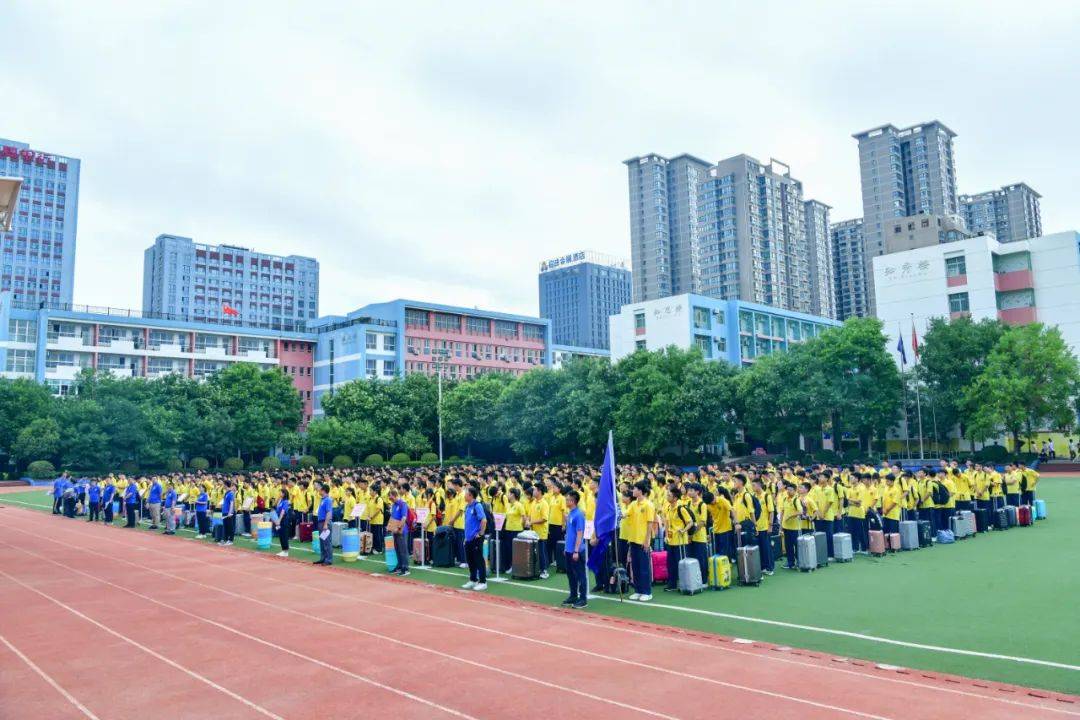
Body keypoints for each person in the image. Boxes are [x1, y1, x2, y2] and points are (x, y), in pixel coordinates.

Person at [625, 481, 655, 602]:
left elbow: (649, 524)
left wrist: (647, 540)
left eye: (635, 489)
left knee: (644, 567)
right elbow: (625, 514)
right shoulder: (633, 504)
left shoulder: (648, 505)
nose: (633, 491)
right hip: (633, 539)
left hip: (643, 540)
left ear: (641, 491)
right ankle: (638, 590)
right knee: (635, 567)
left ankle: (647, 592)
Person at [562, 490, 587, 608]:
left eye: (568, 499)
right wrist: (567, 548)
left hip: (577, 551)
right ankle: (573, 595)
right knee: (570, 574)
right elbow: (569, 533)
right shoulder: (570, 513)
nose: (566, 501)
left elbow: (579, 533)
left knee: (580, 574)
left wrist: (576, 550)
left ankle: (583, 599)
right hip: (569, 550)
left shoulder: (578, 514)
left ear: (573, 501)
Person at [461, 486, 488, 590]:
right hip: (468, 538)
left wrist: (481, 533)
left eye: (466, 493)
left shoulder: (477, 506)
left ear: (470, 495)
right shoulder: (467, 506)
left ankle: (483, 581)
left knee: (479, 560)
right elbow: (468, 523)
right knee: (470, 560)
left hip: (476, 539)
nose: (464, 495)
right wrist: (466, 537)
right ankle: (473, 580)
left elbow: (484, 520)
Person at [387, 488, 411, 576]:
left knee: (403, 549)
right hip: (394, 530)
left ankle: (406, 568)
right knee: (397, 549)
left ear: (395, 495)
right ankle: (400, 565)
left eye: (391, 497)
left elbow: (404, 518)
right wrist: (389, 526)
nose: (390, 499)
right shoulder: (394, 505)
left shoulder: (403, 504)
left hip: (402, 530)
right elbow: (392, 517)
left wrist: (399, 527)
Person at [313, 482, 334, 565]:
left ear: (324, 491)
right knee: (322, 541)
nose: (319, 491)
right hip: (321, 522)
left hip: (324, 522)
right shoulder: (323, 500)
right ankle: (323, 558)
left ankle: (328, 559)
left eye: (320, 490)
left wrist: (325, 524)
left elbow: (329, 513)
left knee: (327, 542)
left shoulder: (328, 500)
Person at [274, 486, 291, 557]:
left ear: (284, 494)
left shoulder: (286, 501)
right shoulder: (281, 500)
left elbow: (283, 512)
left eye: (280, 492)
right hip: (279, 519)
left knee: (284, 535)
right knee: (281, 535)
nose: (279, 493)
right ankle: (283, 550)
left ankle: (286, 551)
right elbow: (276, 506)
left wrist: (279, 520)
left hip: (283, 520)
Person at [220, 480, 236, 546]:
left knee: (230, 527)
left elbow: (232, 503)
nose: (223, 486)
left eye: (223, 484)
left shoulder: (230, 493)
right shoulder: (226, 493)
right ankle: (225, 539)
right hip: (224, 512)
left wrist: (230, 512)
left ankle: (230, 540)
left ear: (226, 485)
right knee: (225, 526)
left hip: (228, 513)